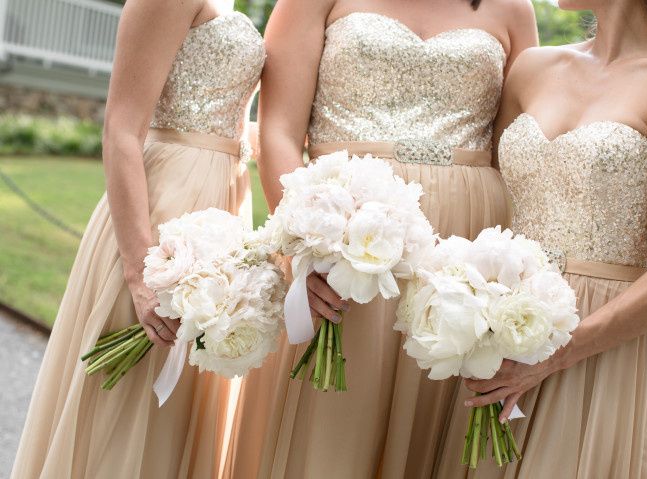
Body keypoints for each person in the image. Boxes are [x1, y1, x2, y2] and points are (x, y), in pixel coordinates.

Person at [223, 0, 538, 477]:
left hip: (462, 242)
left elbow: (514, 150)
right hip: (346, 231)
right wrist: (306, 248)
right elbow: (279, 132)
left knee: (437, 419)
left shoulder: (512, 8)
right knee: (336, 417)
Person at [457, 0, 647, 477]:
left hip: (604, 342)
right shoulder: (532, 69)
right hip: (505, 327)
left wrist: (554, 356)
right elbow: (493, 196)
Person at [11, 0, 264, 477]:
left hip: (223, 204)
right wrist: (141, 270)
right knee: (127, 401)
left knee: (180, 408)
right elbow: (122, 129)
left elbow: (219, 115)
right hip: (164, 212)